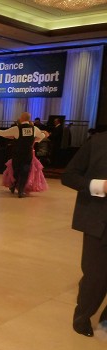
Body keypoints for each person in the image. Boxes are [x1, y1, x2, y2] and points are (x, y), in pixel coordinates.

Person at [61, 131, 107, 337]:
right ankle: (82, 316)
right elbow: (69, 176)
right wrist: (100, 185)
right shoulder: (98, 142)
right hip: (100, 221)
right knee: (96, 276)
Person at [0, 112, 47, 197]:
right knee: (25, 171)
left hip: (17, 154)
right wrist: (44, 134)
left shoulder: (17, 128)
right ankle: (20, 190)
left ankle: (15, 185)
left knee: (16, 170)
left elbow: (3, 133)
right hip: (28, 154)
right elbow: (41, 136)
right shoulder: (34, 129)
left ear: (21, 119)